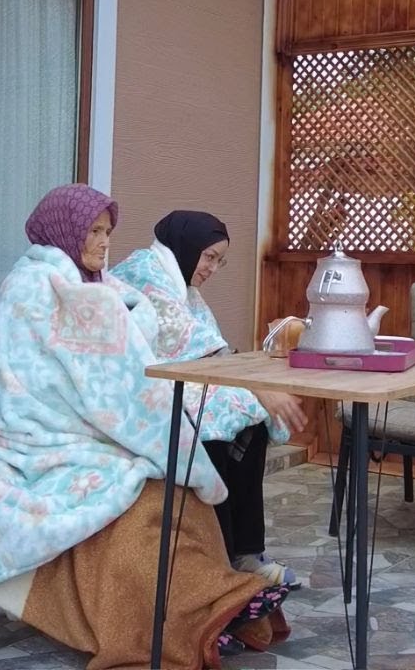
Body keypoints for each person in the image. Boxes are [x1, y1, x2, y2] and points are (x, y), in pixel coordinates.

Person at [0, 184, 289, 669]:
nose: (105, 241)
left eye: (107, 230)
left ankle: (218, 599)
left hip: (78, 431)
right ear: (65, 230)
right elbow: (65, 376)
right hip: (27, 434)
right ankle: (197, 613)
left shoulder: (93, 283)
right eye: (94, 230)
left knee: (172, 494)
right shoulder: (33, 286)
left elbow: (120, 346)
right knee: (136, 505)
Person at [111, 210, 308, 587]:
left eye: (220, 260)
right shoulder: (146, 273)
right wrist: (260, 388)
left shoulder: (181, 284)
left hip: (173, 381)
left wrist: (254, 388)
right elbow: (189, 342)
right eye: (210, 257)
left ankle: (245, 553)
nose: (213, 268)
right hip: (134, 389)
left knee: (249, 421)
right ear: (188, 246)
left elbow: (206, 344)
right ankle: (220, 561)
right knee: (213, 426)